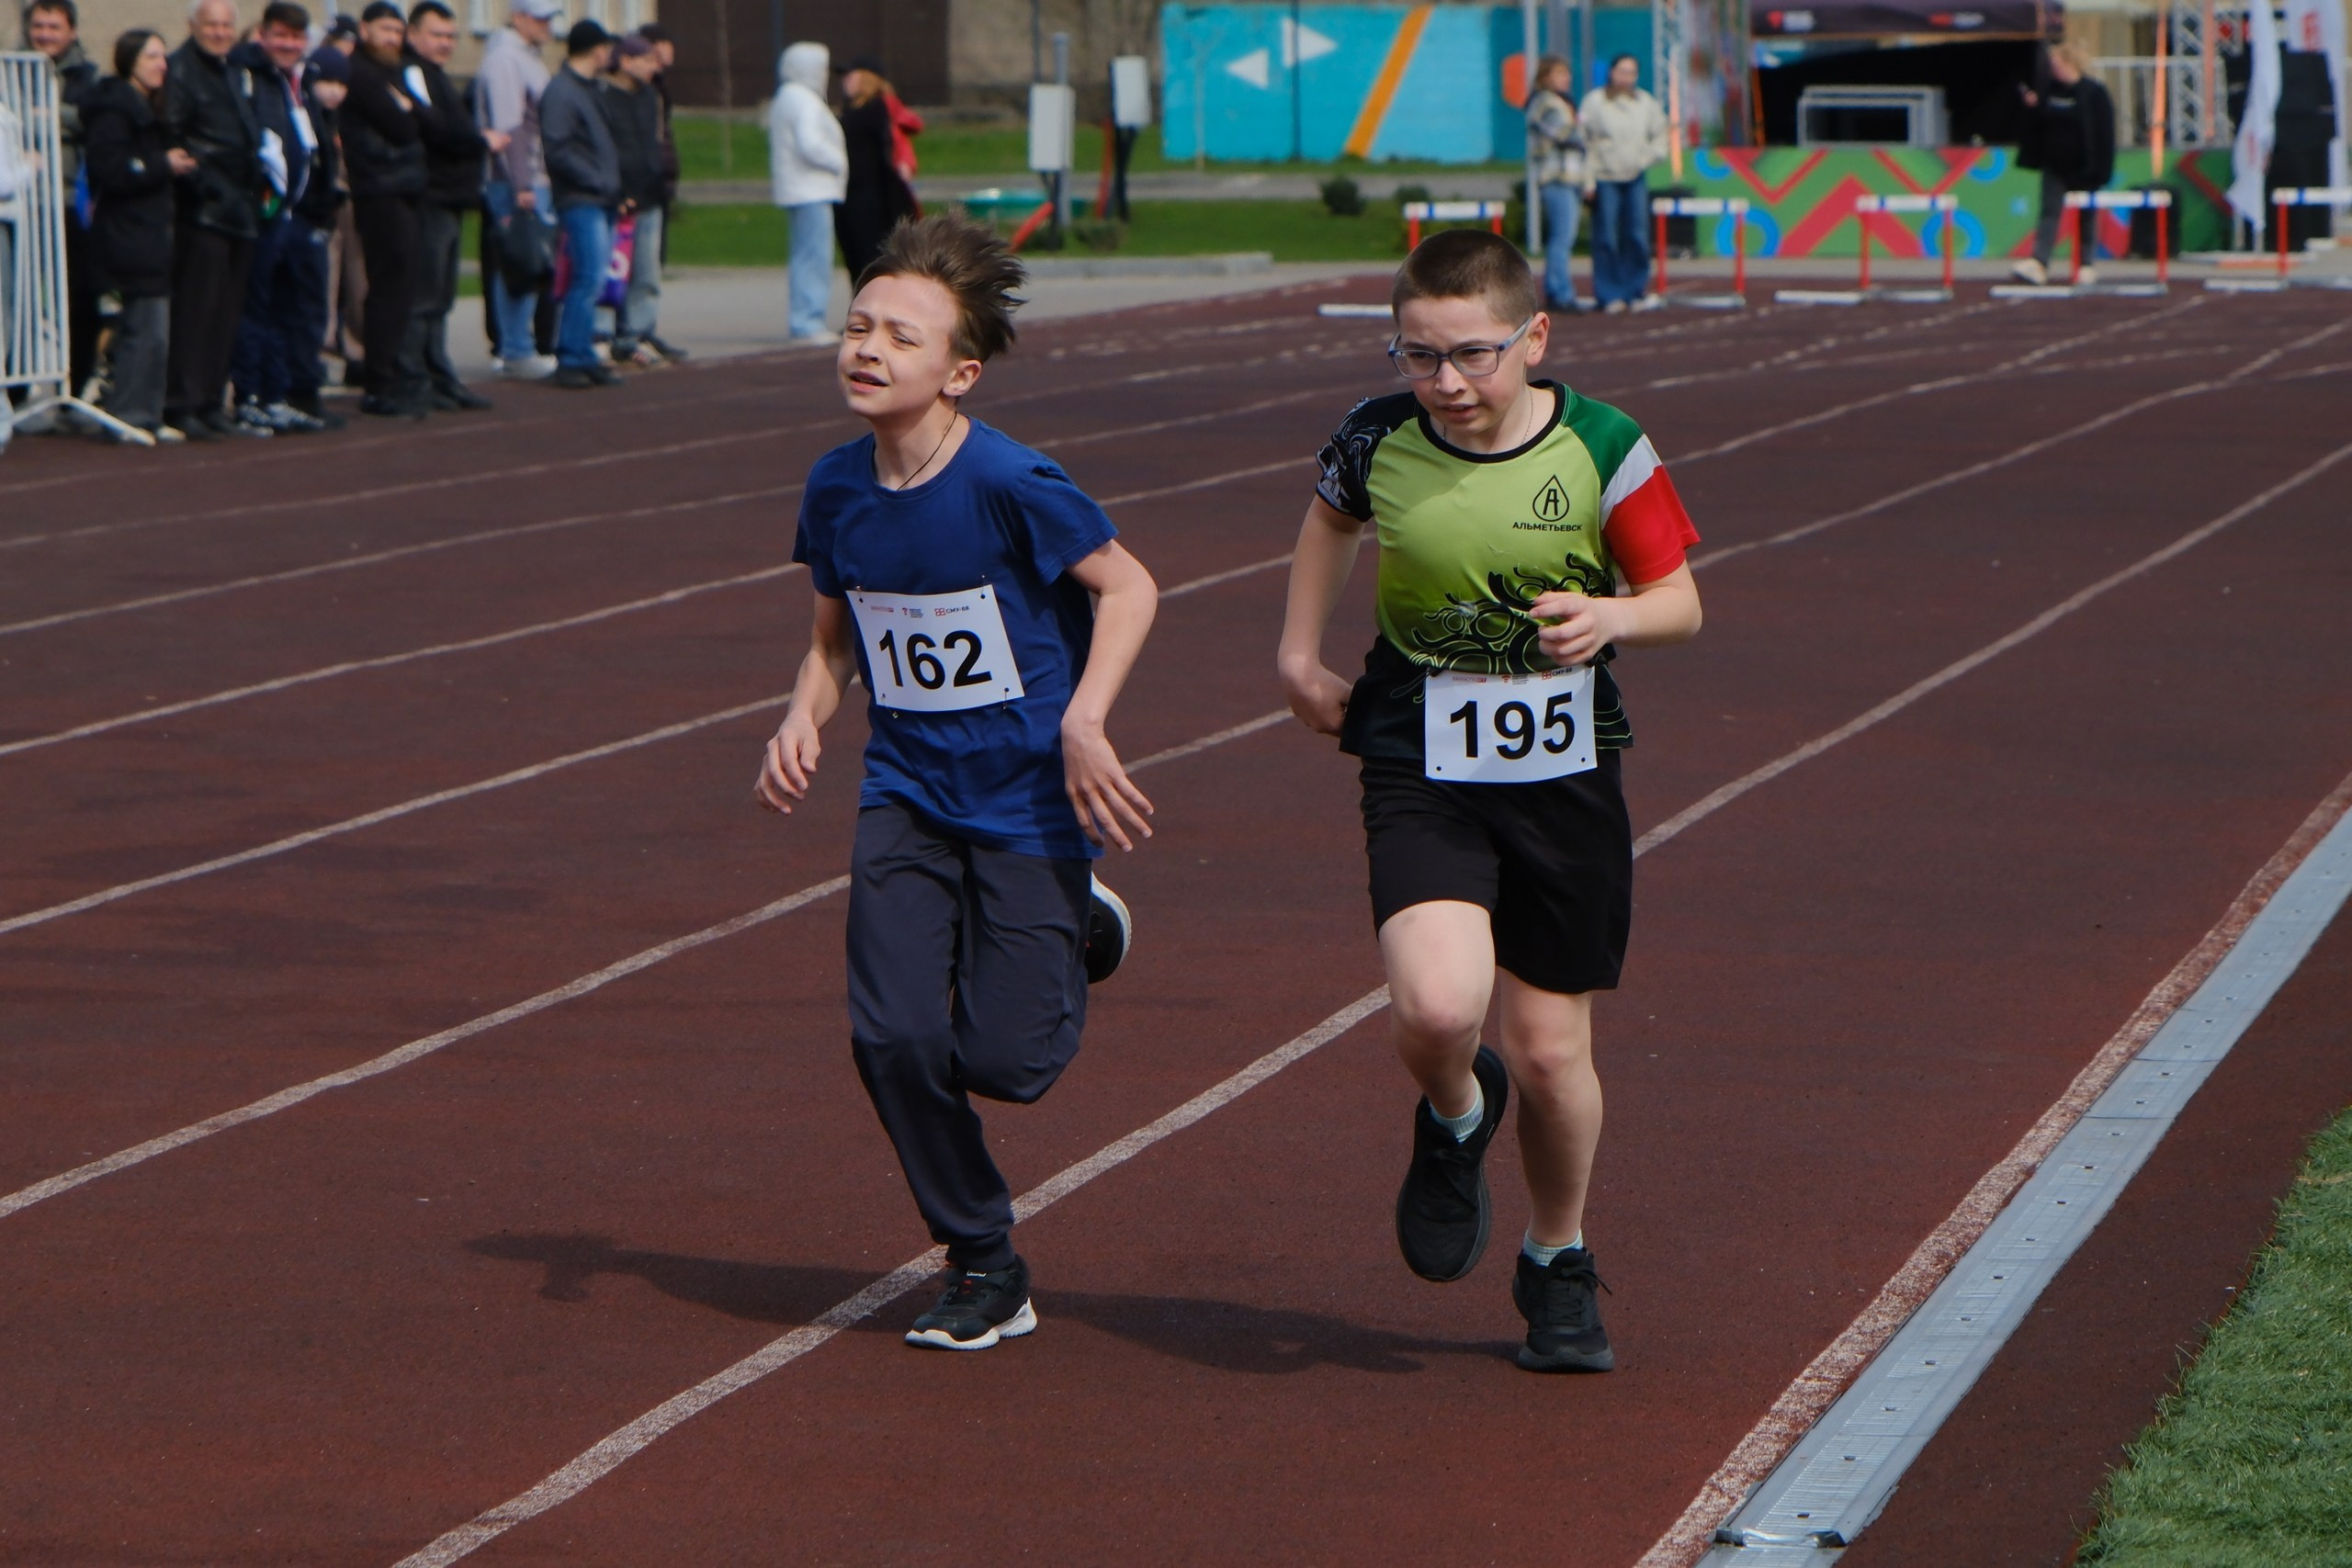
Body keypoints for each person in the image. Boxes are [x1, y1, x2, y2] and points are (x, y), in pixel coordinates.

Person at [1276, 229, 1702, 1373]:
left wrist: (1611, 618)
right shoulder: (1376, 436)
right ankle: (1457, 1114)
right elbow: (1327, 522)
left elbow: (1679, 601)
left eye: (1472, 356)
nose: (1446, 385)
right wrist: (1297, 653)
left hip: (1562, 775)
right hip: (1419, 753)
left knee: (1556, 1054)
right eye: (1419, 357)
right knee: (1433, 1009)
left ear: (1534, 338)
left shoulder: (1604, 446)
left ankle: (1556, 1257)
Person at [753, 212, 1157, 1352]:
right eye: (858, 325)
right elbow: (837, 638)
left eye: (901, 335)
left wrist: (1084, 719)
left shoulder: (1011, 481)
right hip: (908, 796)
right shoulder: (836, 488)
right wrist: (802, 715)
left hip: (1028, 797)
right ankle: (983, 1259)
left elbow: (1129, 589)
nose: (867, 348)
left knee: (1007, 1065)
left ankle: (1077, 923)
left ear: (959, 371)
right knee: (888, 1036)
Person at [226, 1, 334, 434]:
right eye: (280, 36)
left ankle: (278, 393)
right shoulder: (251, 78)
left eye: (295, 37)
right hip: (264, 214)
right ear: (263, 36)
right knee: (257, 308)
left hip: (295, 214)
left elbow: (309, 144)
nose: (288, 44)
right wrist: (263, 201)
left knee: (289, 308)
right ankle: (249, 394)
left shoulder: (298, 80)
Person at [161, 0, 266, 440]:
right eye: (212, 24)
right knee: (196, 312)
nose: (220, 32)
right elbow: (175, 135)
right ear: (192, 26)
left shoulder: (231, 69)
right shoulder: (180, 71)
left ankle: (209, 400)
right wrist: (209, 188)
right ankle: (183, 402)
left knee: (225, 312)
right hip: (203, 211)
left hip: (238, 208)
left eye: (227, 25)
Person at [80, 28, 190, 442]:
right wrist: (162, 165)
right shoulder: (114, 110)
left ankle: (147, 411)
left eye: (163, 57)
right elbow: (110, 168)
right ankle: (128, 414)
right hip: (127, 234)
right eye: (152, 57)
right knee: (143, 330)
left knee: (154, 332)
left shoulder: (151, 108)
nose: (162, 65)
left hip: (150, 232)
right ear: (130, 61)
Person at [401, 0, 495, 410]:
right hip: (430, 197)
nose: (446, 44)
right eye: (437, 35)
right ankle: (415, 376)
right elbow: (439, 130)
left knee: (441, 295)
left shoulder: (438, 77)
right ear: (414, 34)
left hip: (452, 197)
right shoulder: (413, 74)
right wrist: (477, 141)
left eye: (451, 36)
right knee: (423, 294)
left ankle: (438, 372)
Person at [343, 0, 428, 418]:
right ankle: (379, 379)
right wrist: (408, 112)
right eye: (385, 30)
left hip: (403, 188)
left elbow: (423, 120)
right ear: (365, 30)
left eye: (398, 31)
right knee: (388, 286)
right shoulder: (362, 75)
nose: (392, 39)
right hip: (379, 188)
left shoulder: (397, 72)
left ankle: (391, 372)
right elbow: (403, 125)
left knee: (403, 287)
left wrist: (411, 111)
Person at [475, 0, 557, 379]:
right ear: (520, 17)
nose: (548, 25)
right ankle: (515, 348)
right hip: (515, 181)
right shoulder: (505, 59)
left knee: (529, 262)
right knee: (519, 263)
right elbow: (510, 126)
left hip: (534, 178)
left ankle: (518, 345)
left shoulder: (527, 57)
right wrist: (522, 183)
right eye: (541, 18)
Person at [23, 0, 100, 398]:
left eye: (54, 27)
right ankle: (15, 391)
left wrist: (44, 115)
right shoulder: (12, 69)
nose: (45, 35)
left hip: (70, 203)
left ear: (71, 31)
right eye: (39, 26)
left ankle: (75, 385)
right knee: (18, 304)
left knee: (79, 300)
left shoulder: (87, 74)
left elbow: (92, 118)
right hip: (21, 203)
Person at [539, 16, 619, 389]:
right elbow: (559, 149)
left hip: (597, 195)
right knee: (586, 277)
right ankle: (570, 354)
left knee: (593, 277)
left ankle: (583, 352)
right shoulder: (563, 91)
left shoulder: (589, 89)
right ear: (596, 49)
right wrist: (599, 180)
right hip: (581, 197)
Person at [2014, 42, 2116, 287]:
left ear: (2070, 64)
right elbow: (2039, 126)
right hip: (2054, 164)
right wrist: (2032, 108)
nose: (2052, 69)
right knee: (2049, 212)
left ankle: (2086, 264)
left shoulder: (2093, 92)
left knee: (2086, 217)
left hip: (2084, 165)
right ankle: (2039, 262)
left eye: (2056, 64)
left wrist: (2101, 169)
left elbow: (2104, 132)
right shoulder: (2048, 91)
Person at [601, 31, 671, 366]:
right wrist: (617, 190)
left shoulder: (650, 96)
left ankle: (637, 333)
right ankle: (601, 333)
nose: (652, 67)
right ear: (625, 61)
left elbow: (657, 141)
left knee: (646, 272)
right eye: (645, 60)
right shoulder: (603, 96)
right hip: (618, 197)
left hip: (650, 194)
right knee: (611, 268)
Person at [1578, 54, 1668, 313]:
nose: (1625, 77)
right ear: (1611, 72)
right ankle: (1609, 295)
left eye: (1631, 72)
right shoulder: (1595, 102)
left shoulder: (1645, 103)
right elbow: (1584, 143)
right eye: (1621, 71)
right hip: (1604, 178)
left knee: (1637, 236)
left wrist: (1647, 158)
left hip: (1635, 177)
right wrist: (1588, 180)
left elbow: (1660, 135)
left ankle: (1635, 292)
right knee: (1605, 236)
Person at [766, 41, 843, 344]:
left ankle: (805, 316)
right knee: (814, 256)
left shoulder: (787, 97)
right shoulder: (805, 101)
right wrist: (836, 160)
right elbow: (810, 144)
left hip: (800, 188)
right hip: (812, 188)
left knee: (805, 254)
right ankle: (808, 319)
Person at [835, 55, 913, 283]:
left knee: (869, 256)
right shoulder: (849, 110)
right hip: (850, 194)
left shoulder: (875, 108)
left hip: (871, 195)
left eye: (851, 75)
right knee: (854, 256)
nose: (845, 81)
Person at [1524, 55, 1588, 315]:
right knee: (1562, 237)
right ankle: (1560, 291)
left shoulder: (1561, 102)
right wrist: (1587, 132)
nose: (1567, 79)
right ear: (1546, 77)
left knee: (1563, 236)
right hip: (1557, 176)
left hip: (1570, 176)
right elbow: (1565, 133)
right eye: (1561, 74)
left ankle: (1557, 288)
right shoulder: (1545, 103)